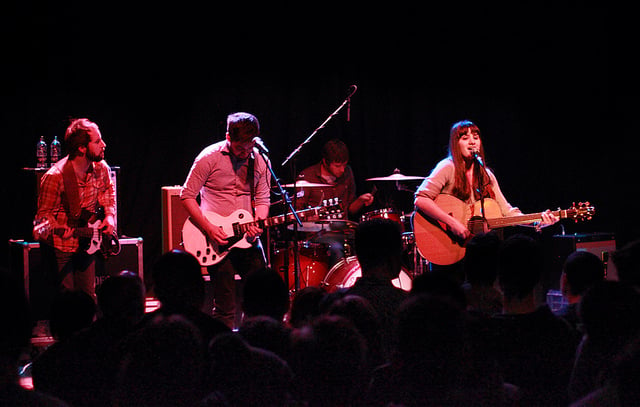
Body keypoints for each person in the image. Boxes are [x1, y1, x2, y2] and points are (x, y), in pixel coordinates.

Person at [414, 120, 558, 279]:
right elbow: (421, 199)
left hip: (477, 254)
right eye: (464, 137)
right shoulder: (447, 167)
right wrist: (452, 222)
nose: (472, 141)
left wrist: (537, 220)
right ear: (456, 143)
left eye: (475, 137)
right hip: (448, 248)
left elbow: (507, 212)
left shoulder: (486, 174)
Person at [181, 112, 271, 329]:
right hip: (215, 238)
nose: (245, 152)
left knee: (260, 292)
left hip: (247, 238)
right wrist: (209, 228)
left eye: (250, 147)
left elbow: (263, 197)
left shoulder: (259, 160)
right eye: (240, 147)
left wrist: (259, 221)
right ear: (228, 137)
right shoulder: (208, 157)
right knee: (226, 301)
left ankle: (254, 339)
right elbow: (187, 195)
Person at [34, 118, 116, 302]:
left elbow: (107, 190)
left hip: (87, 242)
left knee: (88, 298)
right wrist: (57, 228)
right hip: (61, 246)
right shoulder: (55, 177)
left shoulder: (101, 168)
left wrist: (109, 216)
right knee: (66, 300)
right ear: (81, 148)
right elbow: (42, 218)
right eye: (97, 141)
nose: (104, 144)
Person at [295, 139, 375, 268]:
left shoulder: (348, 172)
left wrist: (361, 200)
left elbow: (351, 209)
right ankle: (338, 287)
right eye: (338, 166)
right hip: (318, 234)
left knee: (371, 241)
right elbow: (297, 213)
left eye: (344, 165)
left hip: (344, 231)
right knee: (336, 248)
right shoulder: (307, 177)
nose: (342, 170)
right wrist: (310, 218)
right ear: (325, 162)